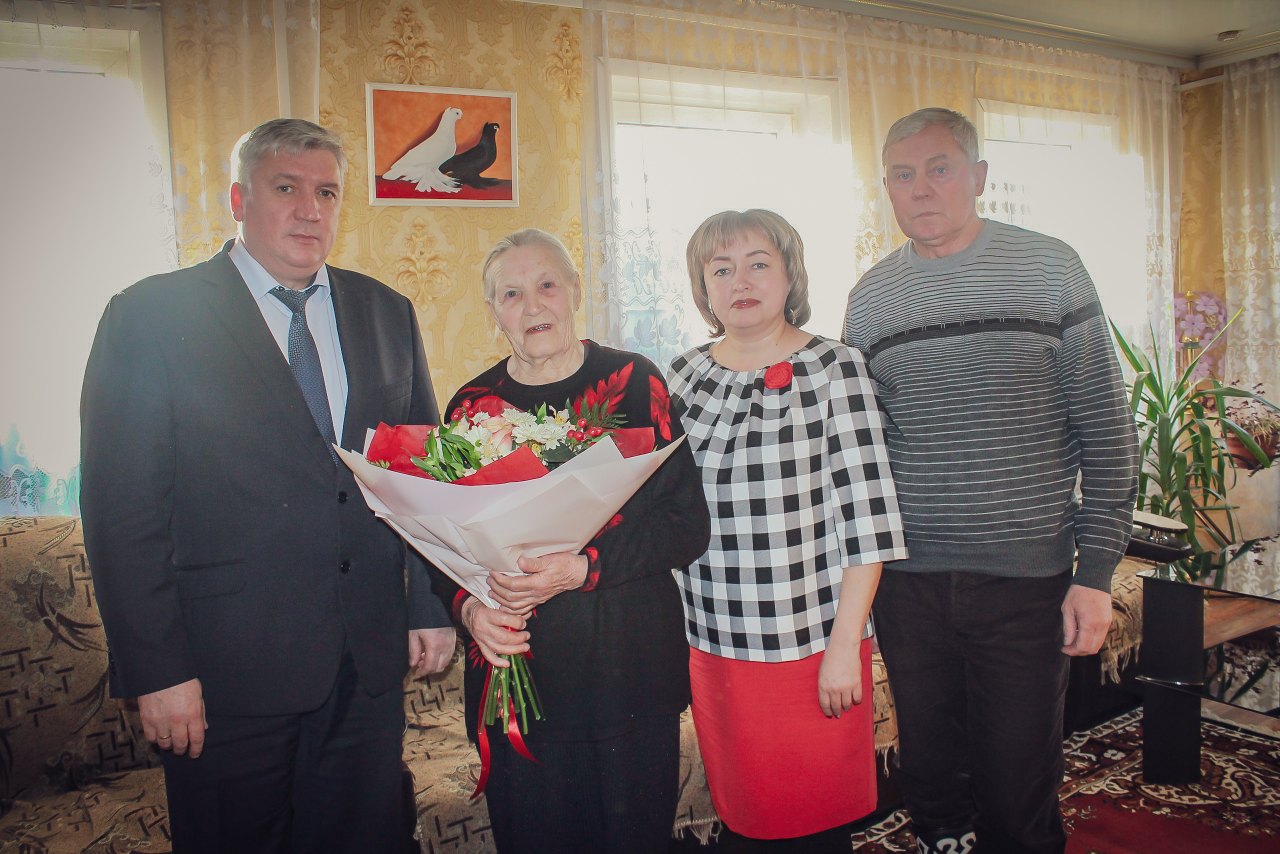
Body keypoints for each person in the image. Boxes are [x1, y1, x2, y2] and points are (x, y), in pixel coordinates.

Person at [80, 118, 456, 853]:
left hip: (366, 668)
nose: (310, 210)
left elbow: (420, 471)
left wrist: (429, 604)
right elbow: (121, 511)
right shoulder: (149, 317)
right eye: (286, 188)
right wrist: (158, 671)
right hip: (225, 680)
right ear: (238, 200)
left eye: (327, 193)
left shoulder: (387, 311)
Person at [843, 107, 1140, 854]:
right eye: (902, 175)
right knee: (933, 781)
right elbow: (858, 447)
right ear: (887, 188)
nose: (921, 188)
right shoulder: (871, 299)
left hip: (1024, 583)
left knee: (1017, 788)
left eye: (939, 168)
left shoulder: (1050, 268)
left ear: (978, 177)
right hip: (907, 585)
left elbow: (1107, 431)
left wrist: (1095, 575)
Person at [432, 228, 710, 853]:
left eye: (547, 285)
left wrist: (584, 567)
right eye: (511, 294)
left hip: (627, 673)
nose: (532, 306)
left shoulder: (635, 382)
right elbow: (439, 547)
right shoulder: (471, 407)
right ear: (493, 311)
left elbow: (684, 524)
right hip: (519, 674)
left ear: (576, 291)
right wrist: (469, 609)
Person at [668, 209, 909, 852]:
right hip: (715, 640)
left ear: (789, 274)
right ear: (704, 287)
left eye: (758, 264)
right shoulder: (681, 376)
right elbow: (665, 510)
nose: (741, 281)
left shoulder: (836, 367)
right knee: (745, 819)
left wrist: (845, 647)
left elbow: (868, 521)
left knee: (814, 822)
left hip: (812, 642)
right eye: (722, 269)